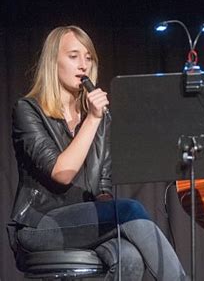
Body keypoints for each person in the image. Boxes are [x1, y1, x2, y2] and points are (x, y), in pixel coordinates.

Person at [8, 25, 186, 280]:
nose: (84, 65)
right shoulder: (28, 111)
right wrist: (92, 119)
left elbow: (103, 187)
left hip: (86, 222)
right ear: (53, 62)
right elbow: (61, 173)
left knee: (130, 257)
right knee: (130, 209)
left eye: (89, 57)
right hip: (40, 224)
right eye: (73, 56)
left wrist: (108, 207)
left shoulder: (101, 121)